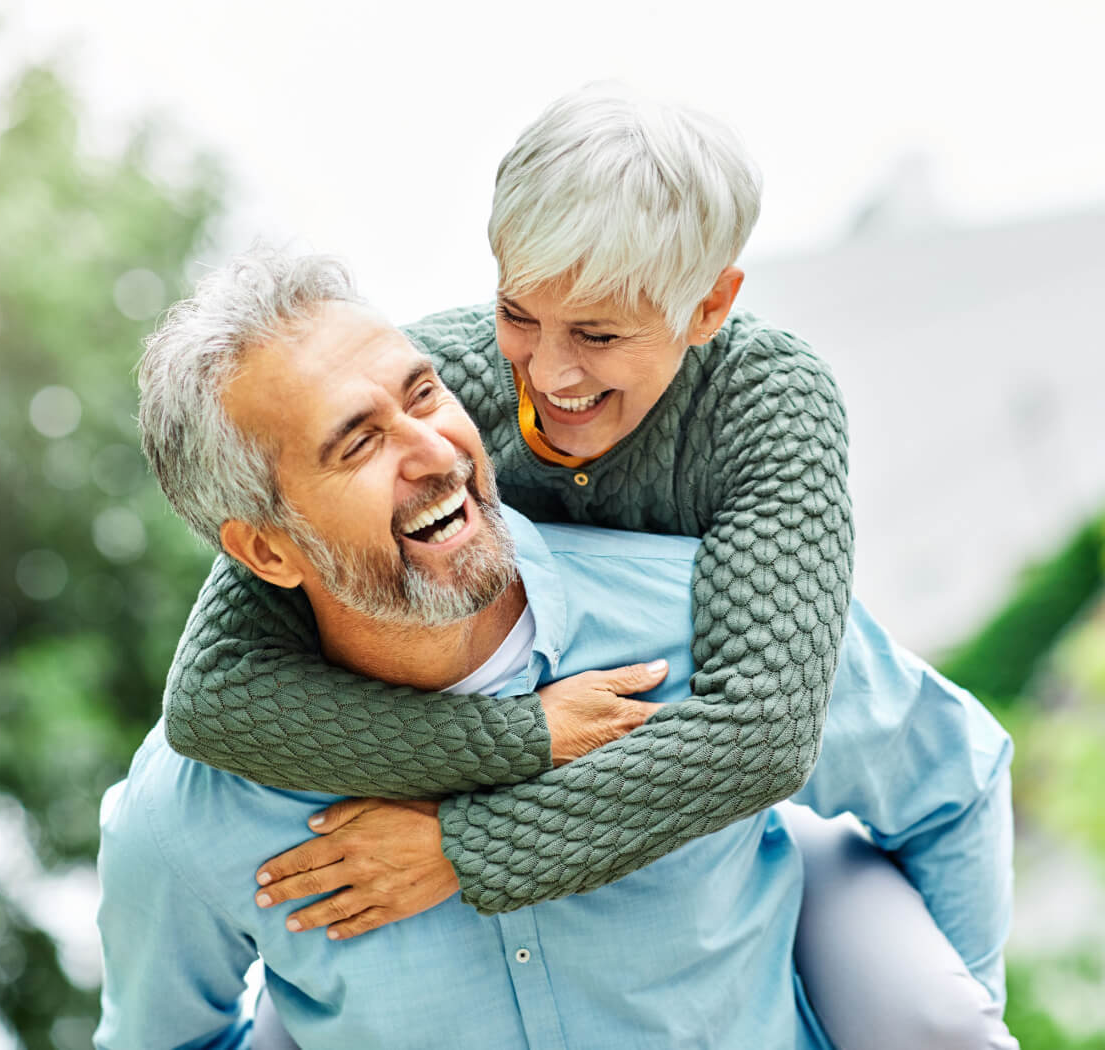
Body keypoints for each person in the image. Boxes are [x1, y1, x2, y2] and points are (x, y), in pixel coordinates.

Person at [151, 85, 1018, 1045]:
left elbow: (762, 736)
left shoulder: (767, 405)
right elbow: (213, 697)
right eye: (520, 311)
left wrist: (460, 847)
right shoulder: (442, 383)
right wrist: (523, 740)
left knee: (940, 1018)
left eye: (599, 335)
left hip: (756, 821)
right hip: (550, 769)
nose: (548, 374)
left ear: (710, 305)